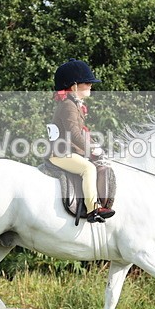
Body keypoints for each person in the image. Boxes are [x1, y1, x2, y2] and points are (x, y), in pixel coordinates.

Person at [47, 58, 115, 224]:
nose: (91, 85)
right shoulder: (68, 106)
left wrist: (95, 146)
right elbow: (75, 134)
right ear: (74, 86)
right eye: (87, 82)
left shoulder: (74, 104)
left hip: (69, 151)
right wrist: (91, 149)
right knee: (88, 169)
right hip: (60, 153)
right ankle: (93, 210)